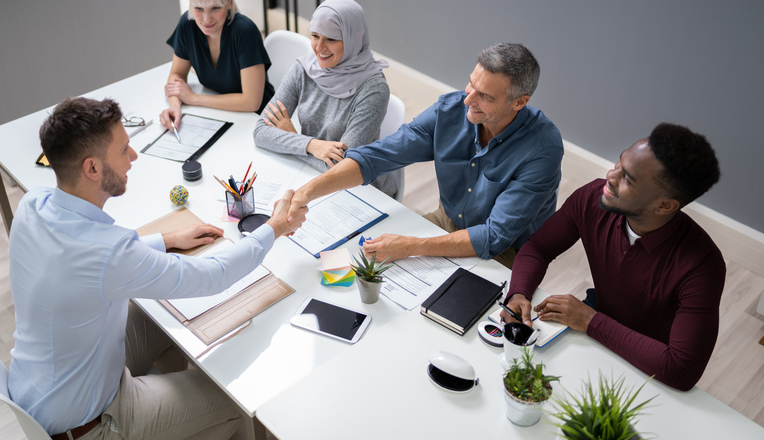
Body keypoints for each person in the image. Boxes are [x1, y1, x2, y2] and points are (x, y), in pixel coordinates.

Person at [8, 97, 306, 439]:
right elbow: (213, 276)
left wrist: (166, 239)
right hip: (91, 426)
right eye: (124, 150)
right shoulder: (108, 254)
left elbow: (94, 259)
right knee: (235, 395)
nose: (133, 157)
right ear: (92, 168)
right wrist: (276, 226)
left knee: (157, 322)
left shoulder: (34, 203)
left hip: (43, 387)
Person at [287, 43, 563, 266]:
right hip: (449, 218)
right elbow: (376, 157)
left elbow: (494, 236)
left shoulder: (542, 150)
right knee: (366, 266)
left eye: (485, 96)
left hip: (507, 252)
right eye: (470, 85)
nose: (467, 100)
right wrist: (306, 192)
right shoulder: (450, 110)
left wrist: (411, 246)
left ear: (519, 102)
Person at [504, 123, 724, 391]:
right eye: (619, 163)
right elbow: (539, 247)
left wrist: (589, 320)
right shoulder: (593, 197)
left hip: (649, 364)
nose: (610, 175)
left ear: (665, 205)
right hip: (594, 327)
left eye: (628, 179)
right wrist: (519, 293)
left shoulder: (702, 266)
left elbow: (681, 370)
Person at [252, 0, 396, 197]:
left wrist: (292, 138)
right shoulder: (304, 69)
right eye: (315, 35)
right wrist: (311, 145)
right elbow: (260, 133)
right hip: (310, 176)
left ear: (354, 39)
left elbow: (341, 170)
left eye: (331, 39)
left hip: (363, 192)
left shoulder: (374, 89)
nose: (319, 47)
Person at [159, 0, 275, 133]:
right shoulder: (187, 24)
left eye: (215, 8)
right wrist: (174, 106)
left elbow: (252, 102)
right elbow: (177, 75)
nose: (206, 19)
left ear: (229, 1)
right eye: (198, 8)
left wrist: (194, 98)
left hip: (257, 119)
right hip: (217, 113)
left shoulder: (245, 31)